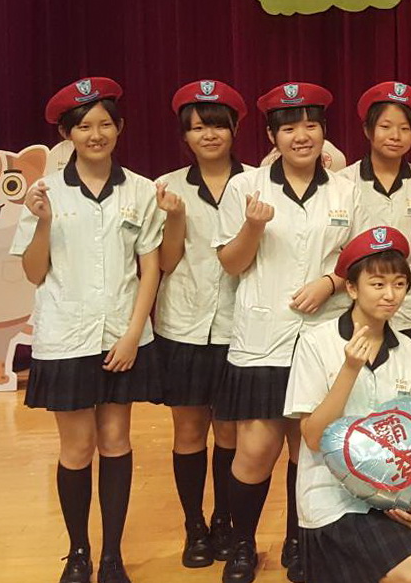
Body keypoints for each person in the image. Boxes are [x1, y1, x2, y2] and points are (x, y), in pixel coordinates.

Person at [12, 78, 164, 583]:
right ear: (67, 135)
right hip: (65, 336)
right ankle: (78, 552)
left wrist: (133, 333)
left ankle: (112, 557)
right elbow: (33, 272)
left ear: (119, 128)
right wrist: (41, 222)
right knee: (76, 448)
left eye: (104, 124)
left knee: (116, 440)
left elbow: (151, 268)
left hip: (122, 334)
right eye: (83, 126)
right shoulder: (44, 193)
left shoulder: (141, 190)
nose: (95, 134)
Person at [214, 83, 358, 583]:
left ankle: (300, 543)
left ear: (324, 132)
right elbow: (231, 264)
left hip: (322, 337)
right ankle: (242, 544)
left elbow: (357, 262)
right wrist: (252, 228)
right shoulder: (245, 187)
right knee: (256, 452)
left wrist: (330, 283)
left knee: (308, 450)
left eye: (311, 125)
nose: (302, 136)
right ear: (272, 136)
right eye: (290, 127)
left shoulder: (345, 189)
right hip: (263, 338)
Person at [285, 226, 411, 583]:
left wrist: (409, 497)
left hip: (391, 493)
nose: (390, 295)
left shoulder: (407, 349)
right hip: (334, 499)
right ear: (351, 288)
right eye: (377, 284)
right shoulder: (316, 343)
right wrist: (349, 369)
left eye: (399, 284)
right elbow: (312, 437)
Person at [154, 81, 248, 567]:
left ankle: (225, 521)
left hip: (239, 327)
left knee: (230, 433)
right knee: (189, 432)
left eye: (216, 125)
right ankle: (194, 527)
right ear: (184, 136)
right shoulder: (166, 188)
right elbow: (166, 262)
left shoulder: (258, 183)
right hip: (183, 326)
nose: (208, 135)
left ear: (233, 129)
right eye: (196, 128)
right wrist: (174, 218)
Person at [343, 81, 411, 344]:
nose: (395, 136)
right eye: (385, 126)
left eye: (404, 128)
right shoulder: (343, 182)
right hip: (356, 307)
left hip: (408, 307)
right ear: (367, 130)